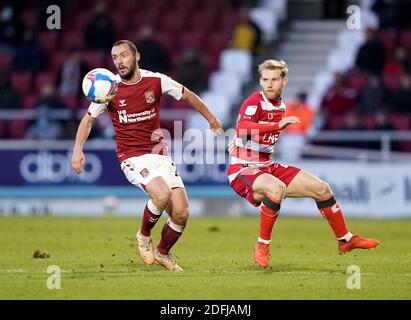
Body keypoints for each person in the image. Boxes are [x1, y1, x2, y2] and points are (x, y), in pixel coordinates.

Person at [71, 40, 222, 272]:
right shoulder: (108, 88)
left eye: (123, 56)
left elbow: (188, 96)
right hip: (131, 156)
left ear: (136, 56)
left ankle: (163, 253)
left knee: (181, 213)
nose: (119, 62)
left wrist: (211, 119)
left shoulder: (157, 80)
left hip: (159, 154)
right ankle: (143, 236)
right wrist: (78, 150)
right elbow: (88, 120)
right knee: (160, 194)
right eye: (114, 57)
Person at [227, 60, 379, 269]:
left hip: (267, 166)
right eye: (265, 80)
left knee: (322, 189)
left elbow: (247, 133)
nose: (269, 84)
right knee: (276, 188)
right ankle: (262, 245)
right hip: (243, 168)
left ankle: (345, 239)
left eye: (274, 80)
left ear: (284, 81)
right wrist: (273, 126)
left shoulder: (281, 106)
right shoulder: (255, 100)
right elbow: (243, 127)